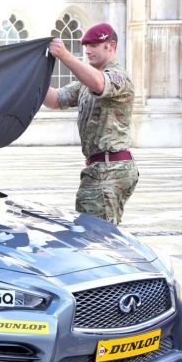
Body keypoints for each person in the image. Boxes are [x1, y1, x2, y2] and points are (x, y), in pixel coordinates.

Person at [42, 22, 138, 225]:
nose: (88, 50)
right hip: (99, 169)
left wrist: (65, 56)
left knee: (95, 238)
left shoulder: (118, 76)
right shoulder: (85, 82)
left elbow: (99, 84)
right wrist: (32, 77)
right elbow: (55, 99)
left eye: (94, 45)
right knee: (96, 234)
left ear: (110, 46)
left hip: (109, 169)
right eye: (86, 46)